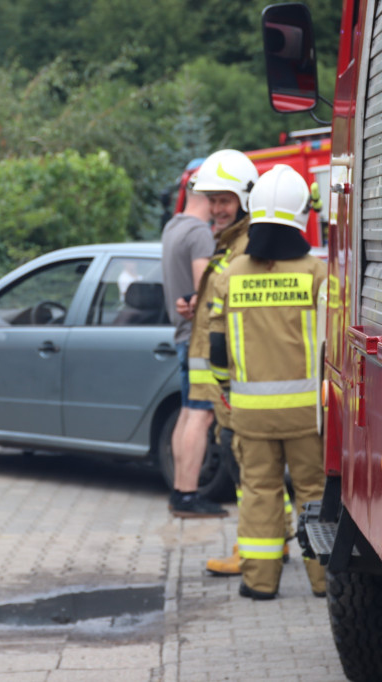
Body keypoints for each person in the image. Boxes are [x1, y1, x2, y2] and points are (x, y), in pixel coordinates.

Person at [208, 165, 327, 599]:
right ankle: (323, 581)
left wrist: (226, 390)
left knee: (259, 492)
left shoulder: (231, 273)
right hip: (307, 414)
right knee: (314, 493)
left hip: (251, 415)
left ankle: (259, 582)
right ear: (301, 213)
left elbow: (216, 349)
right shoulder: (316, 273)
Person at [160, 170, 227, 518]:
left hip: (181, 335)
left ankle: (179, 490)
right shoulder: (199, 233)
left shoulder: (173, 227)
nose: (219, 206)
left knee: (188, 412)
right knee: (201, 415)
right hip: (198, 338)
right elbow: (206, 291)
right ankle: (187, 494)